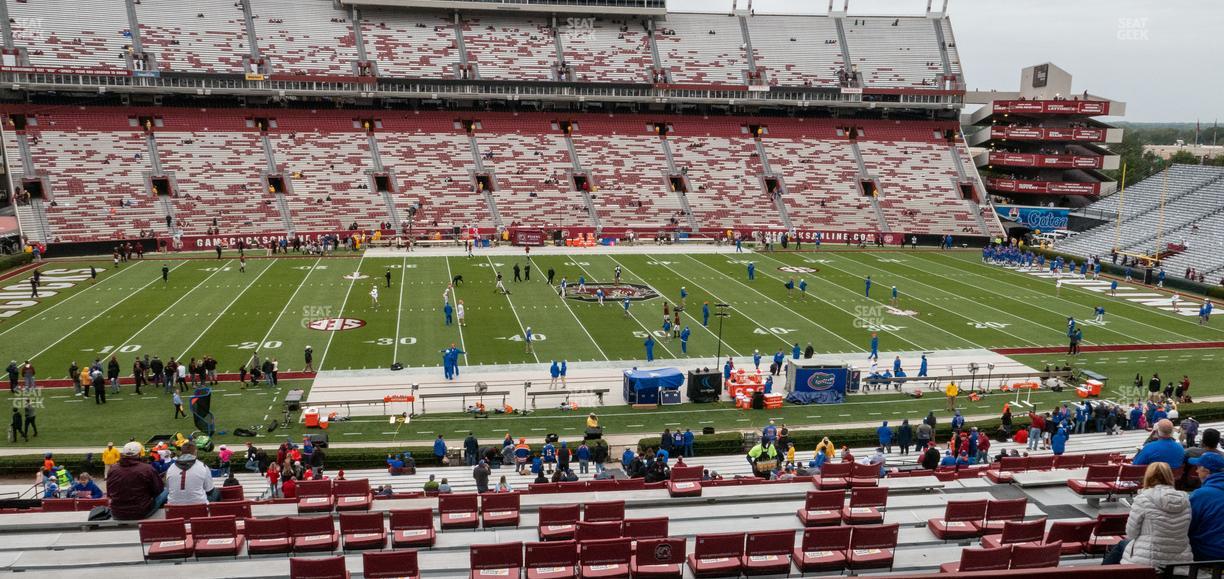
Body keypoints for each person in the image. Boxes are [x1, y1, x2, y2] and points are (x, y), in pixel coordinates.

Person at [1102, 462, 1193, 566]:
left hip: (1149, 559)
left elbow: (1131, 533)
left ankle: (1098, 574)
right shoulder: (1185, 500)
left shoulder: (1143, 499)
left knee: (1121, 546)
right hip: (1179, 560)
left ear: (1148, 477)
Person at [107, 441, 165, 520]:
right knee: (165, 491)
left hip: (117, 512)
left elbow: (109, 492)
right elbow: (158, 489)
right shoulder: (147, 469)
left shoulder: (113, 469)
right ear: (139, 453)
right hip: (141, 512)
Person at [1188, 452, 1224, 561]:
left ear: (1207, 471)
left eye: (1198, 467)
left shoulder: (1201, 495)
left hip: (1210, 553)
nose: (1196, 471)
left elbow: (1186, 526)